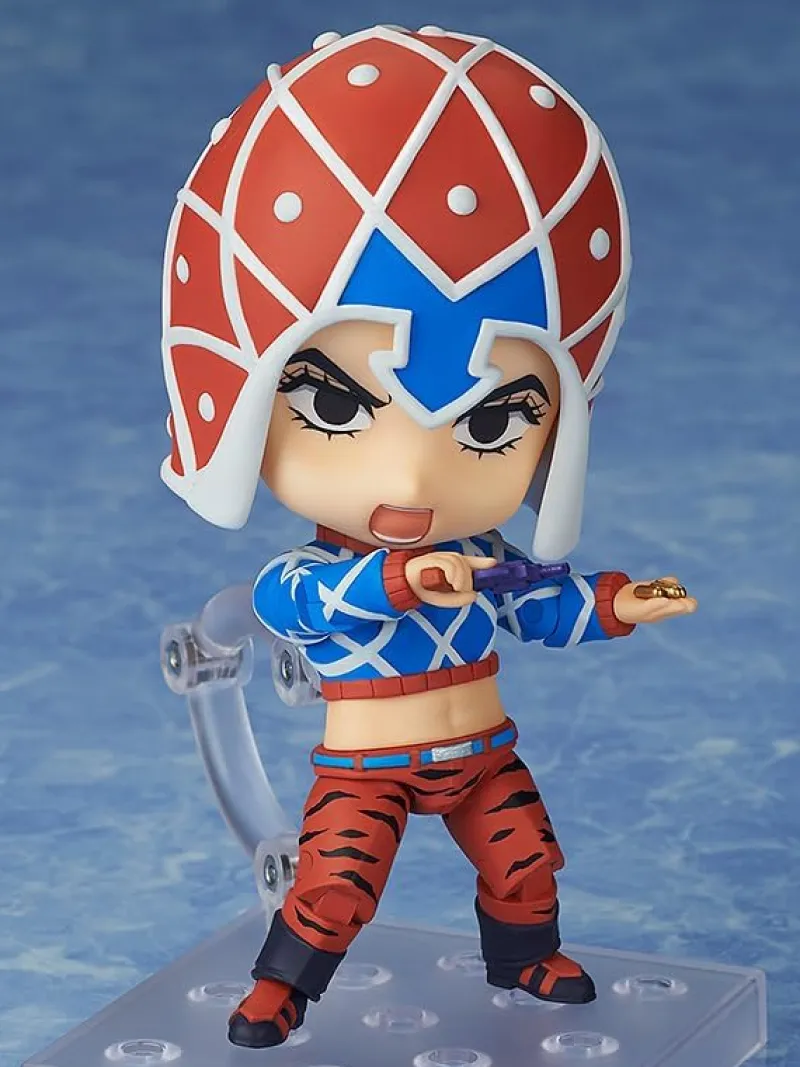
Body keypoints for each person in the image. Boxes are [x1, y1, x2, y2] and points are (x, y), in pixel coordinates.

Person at [159, 25, 697, 1049]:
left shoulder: (487, 554)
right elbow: (289, 604)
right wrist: (400, 582)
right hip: (368, 760)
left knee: (525, 857)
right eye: (333, 407)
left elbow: (543, 603)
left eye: (490, 423)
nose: (410, 482)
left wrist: (620, 602)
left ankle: (524, 953)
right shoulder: (314, 569)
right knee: (335, 883)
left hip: (483, 749)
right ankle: (279, 988)